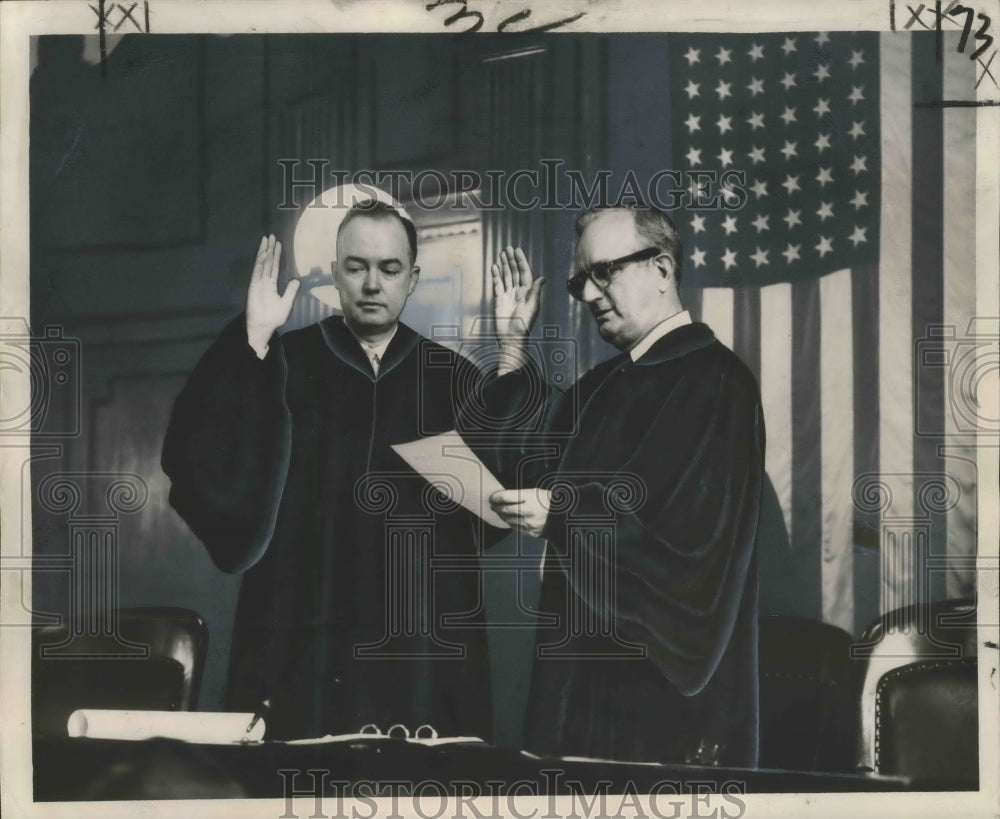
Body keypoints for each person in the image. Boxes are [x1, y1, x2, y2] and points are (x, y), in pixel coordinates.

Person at [162, 199, 536, 741]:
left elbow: (511, 491)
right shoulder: (283, 362)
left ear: (413, 278)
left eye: (389, 269)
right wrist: (252, 340)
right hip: (302, 628)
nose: (371, 284)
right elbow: (198, 454)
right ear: (335, 273)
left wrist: (512, 353)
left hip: (423, 642)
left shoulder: (450, 377)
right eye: (356, 266)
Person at [484, 204, 764, 766]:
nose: (588, 295)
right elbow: (534, 468)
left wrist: (564, 516)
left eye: (604, 271)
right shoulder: (603, 384)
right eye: (579, 280)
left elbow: (693, 551)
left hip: (658, 710)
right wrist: (513, 345)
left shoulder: (719, 383)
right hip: (577, 685)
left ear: (662, 270)